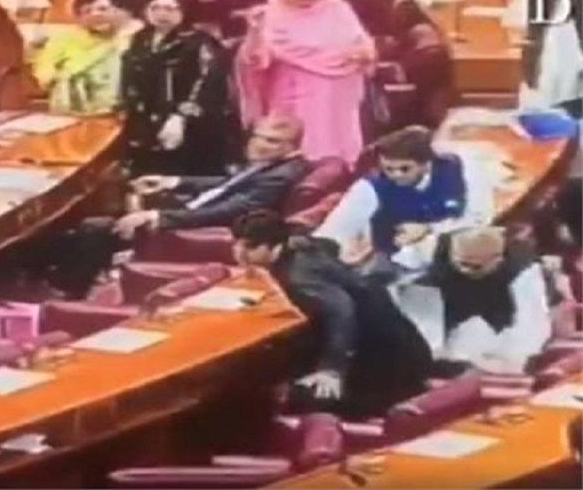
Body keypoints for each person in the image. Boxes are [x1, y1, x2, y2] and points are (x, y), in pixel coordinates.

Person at [51, 114, 312, 298]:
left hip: (201, 227)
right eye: (257, 136)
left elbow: (231, 209)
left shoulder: (280, 176)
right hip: (192, 210)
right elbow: (228, 185)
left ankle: (68, 294)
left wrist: (159, 216)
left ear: (293, 146)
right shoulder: (274, 166)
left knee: (95, 228)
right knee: (116, 203)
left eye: (272, 141)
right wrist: (174, 181)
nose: (259, 145)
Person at [230, 210, 431, 419]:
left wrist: (331, 369)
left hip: (387, 363)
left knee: (287, 397)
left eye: (250, 247)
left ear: (275, 246)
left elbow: (342, 312)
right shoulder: (302, 246)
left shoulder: (299, 276)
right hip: (400, 345)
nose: (239, 253)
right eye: (238, 245)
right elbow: (327, 245)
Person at [235, 0, 375, 164]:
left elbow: (362, 44)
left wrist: (364, 53)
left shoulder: (339, 9)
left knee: (339, 157)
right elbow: (254, 60)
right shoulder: (270, 15)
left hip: (339, 98)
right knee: (299, 153)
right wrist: (254, 32)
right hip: (294, 99)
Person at [313, 126, 494, 271]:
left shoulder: (459, 170)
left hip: (450, 256)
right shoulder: (369, 188)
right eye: (388, 169)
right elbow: (333, 230)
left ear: (426, 164)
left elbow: (479, 219)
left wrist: (429, 229)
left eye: (404, 169)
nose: (396, 175)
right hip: (389, 263)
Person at [398, 227, 552, 374]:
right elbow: (425, 344)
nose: (477, 270)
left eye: (489, 262)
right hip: (450, 362)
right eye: (467, 264)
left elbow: (536, 331)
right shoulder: (423, 288)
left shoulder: (524, 275)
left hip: (511, 355)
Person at [120, 0, 238, 176]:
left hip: (189, 125)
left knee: (185, 172)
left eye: (170, 9)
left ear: (184, 11)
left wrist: (181, 116)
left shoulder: (200, 42)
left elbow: (207, 81)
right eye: (155, 7)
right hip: (146, 121)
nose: (161, 14)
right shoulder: (140, 39)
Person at [32, 0, 138, 115]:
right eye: (87, 11)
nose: (96, 14)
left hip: (122, 113)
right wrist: (65, 77)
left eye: (103, 9)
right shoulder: (63, 39)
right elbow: (44, 72)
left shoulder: (130, 38)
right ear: (79, 18)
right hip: (77, 114)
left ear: (115, 11)